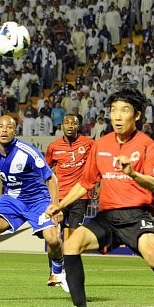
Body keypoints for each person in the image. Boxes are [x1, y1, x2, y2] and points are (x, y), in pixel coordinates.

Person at [46, 87, 154, 307]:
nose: (117, 116)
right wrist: (59, 205)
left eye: (123, 110)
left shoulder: (149, 146)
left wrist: (132, 172)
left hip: (136, 216)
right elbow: (85, 183)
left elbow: (152, 182)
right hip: (106, 217)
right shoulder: (100, 145)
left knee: (152, 252)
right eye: (114, 110)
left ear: (136, 115)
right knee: (71, 244)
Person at [0, 115, 67, 301]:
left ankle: (58, 273)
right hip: (11, 201)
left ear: (15, 131)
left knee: (53, 240)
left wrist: (55, 207)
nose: (4, 130)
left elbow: (51, 178)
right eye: (0, 126)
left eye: (9, 127)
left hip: (38, 200)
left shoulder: (27, 152)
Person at [44, 113, 94, 286]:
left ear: (78, 126)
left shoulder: (89, 144)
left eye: (74, 123)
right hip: (59, 198)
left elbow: (100, 160)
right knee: (53, 236)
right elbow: (44, 169)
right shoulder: (54, 147)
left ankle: (69, 274)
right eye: (66, 122)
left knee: (73, 239)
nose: (70, 125)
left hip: (80, 197)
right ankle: (54, 273)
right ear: (62, 126)